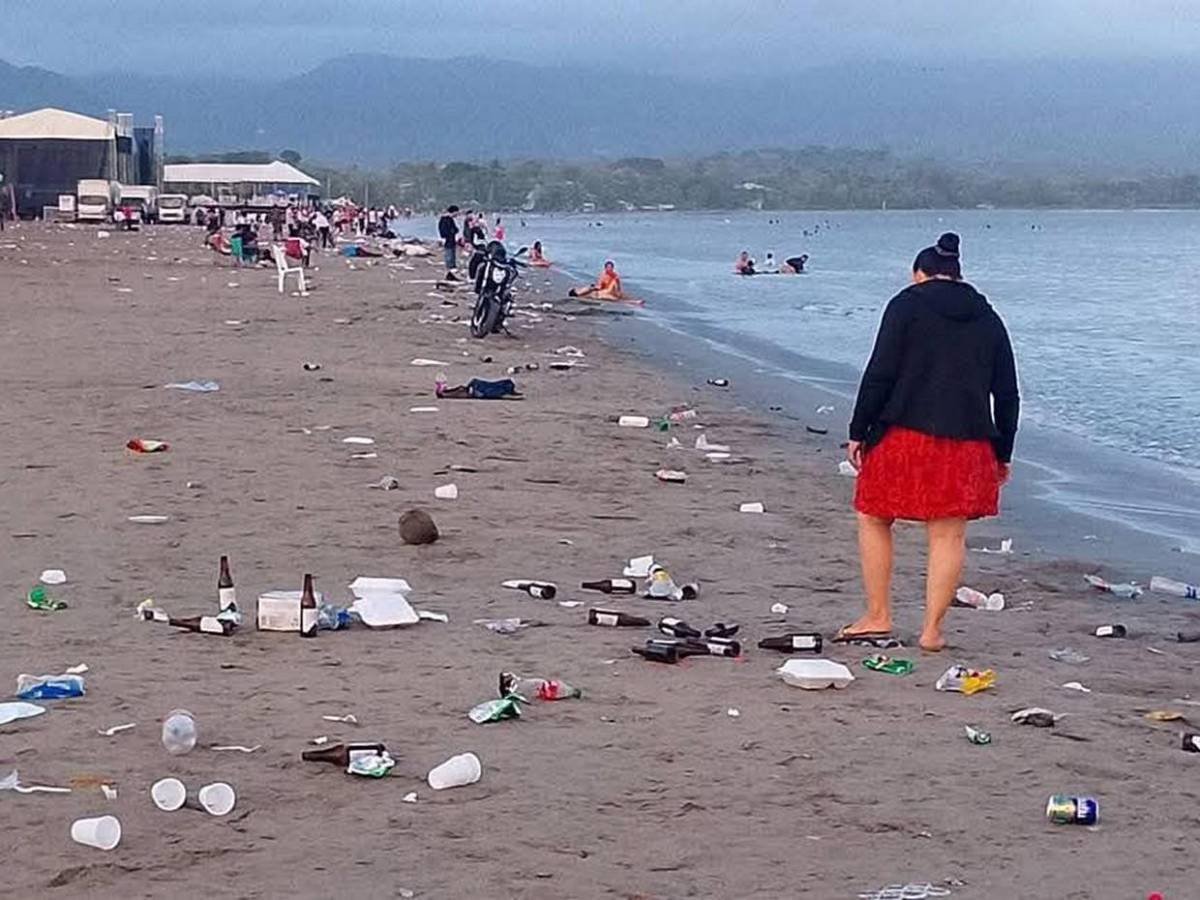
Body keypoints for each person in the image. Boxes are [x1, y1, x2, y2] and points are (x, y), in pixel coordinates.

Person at [839, 232, 1019, 652]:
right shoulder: (988, 316)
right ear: (958, 275)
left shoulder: (907, 304)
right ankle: (932, 631)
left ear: (920, 275)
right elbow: (1007, 393)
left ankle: (878, 615)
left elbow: (880, 372)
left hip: (904, 435)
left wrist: (857, 430)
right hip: (970, 442)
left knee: (873, 516)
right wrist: (1003, 451)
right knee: (948, 536)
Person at [438, 205, 460, 280]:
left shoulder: (450, 219)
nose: (457, 215)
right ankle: (449, 270)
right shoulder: (445, 219)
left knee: (452, 255)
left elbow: (456, 229)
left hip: (452, 240)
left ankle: (452, 269)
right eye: (456, 213)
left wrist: (453, 231)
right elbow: (443, 231)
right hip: (448, 240)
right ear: (453, 212)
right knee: (449, 255)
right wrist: (451, 232)